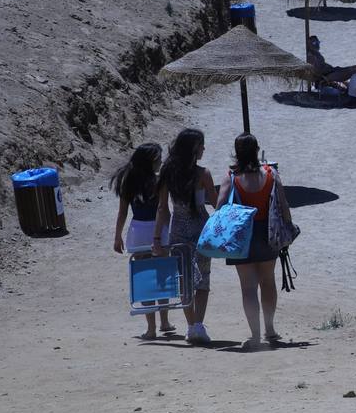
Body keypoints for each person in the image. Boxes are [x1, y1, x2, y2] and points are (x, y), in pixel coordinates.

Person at [216, 133, 291, 350]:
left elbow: (220, 207)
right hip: (267, 233)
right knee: (268, 281)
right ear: (257, 150)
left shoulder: (231, 177)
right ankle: (270, 329)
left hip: (242, 236)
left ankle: (255, 335)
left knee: (248, 287)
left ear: (236, 152)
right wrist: (287, 230)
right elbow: (283, 205)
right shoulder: (270, 174)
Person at [153, 128, 218, 345]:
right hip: (201, 230)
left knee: (184, 282)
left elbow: (163, 208)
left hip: (178, 230)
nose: (203, 149)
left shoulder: (168, 173)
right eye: (201, 145)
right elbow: (217, 206)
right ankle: (198, 325)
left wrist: (156, 239)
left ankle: (191, 326)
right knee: (203, 280)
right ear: (193, 148)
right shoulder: (204, 174)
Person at [111, 143, 173, 339]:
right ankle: (164, 321)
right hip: (158, 229)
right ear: (150, 161)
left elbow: (122, 212)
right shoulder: (159, 182)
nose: (160, 162)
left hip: (138, 230)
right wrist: (170, 231)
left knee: (145, 278)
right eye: (158, 159)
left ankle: (151, 328)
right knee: (162, 276)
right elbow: (164, 210)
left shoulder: (128, 181)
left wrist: (117, 235)